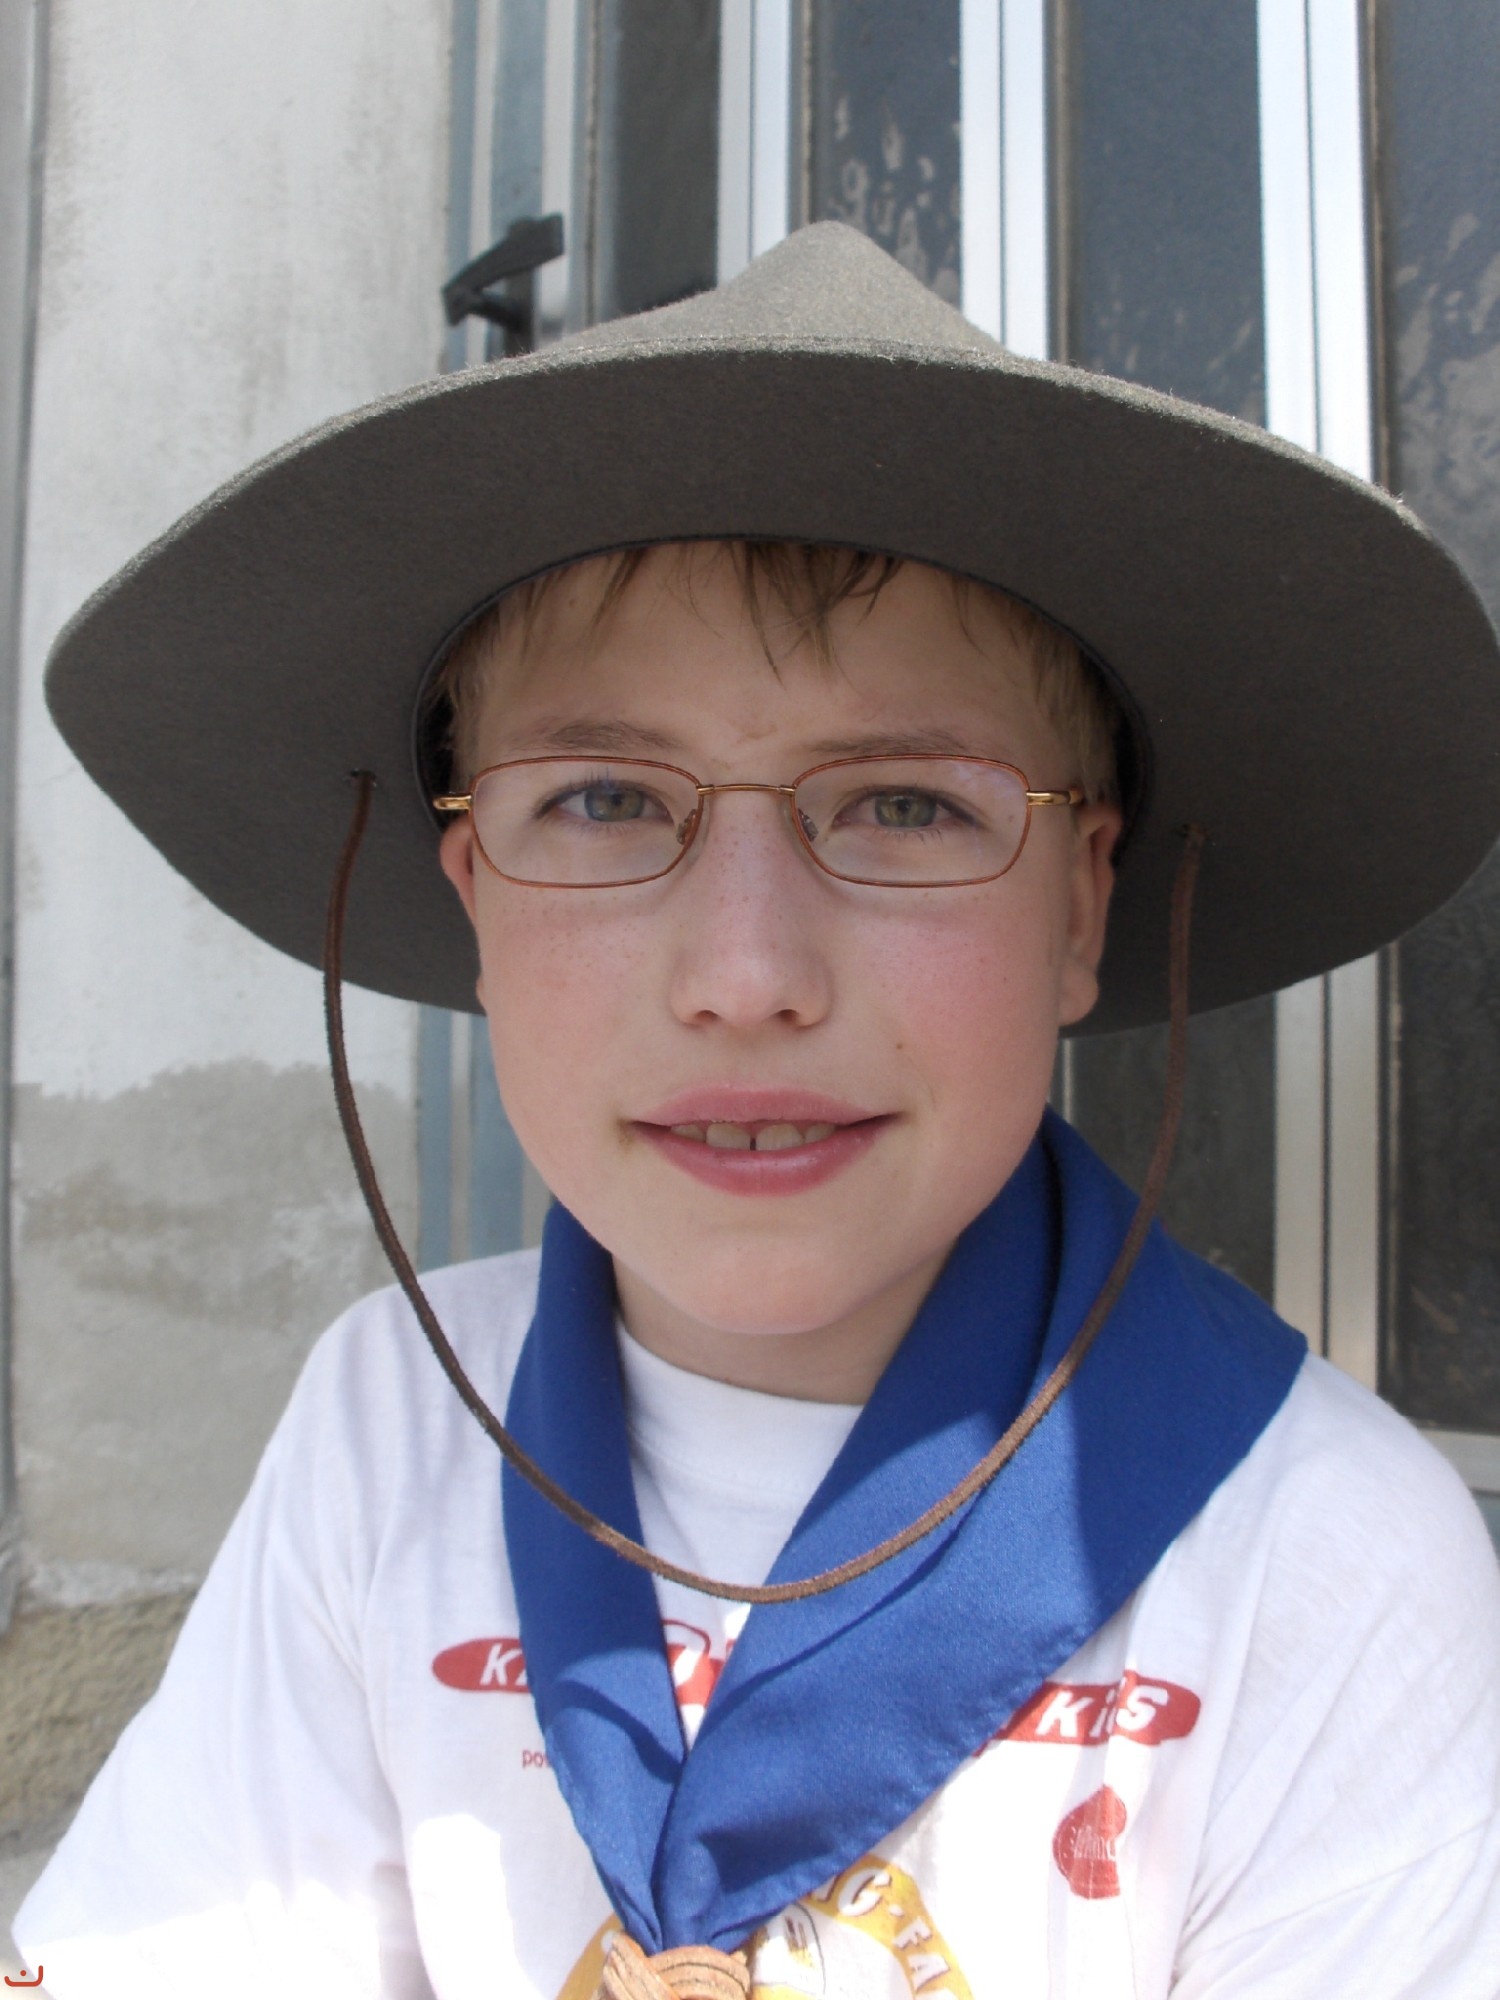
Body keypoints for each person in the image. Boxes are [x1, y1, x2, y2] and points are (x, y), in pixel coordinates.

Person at [14, 224, 1500, 1998]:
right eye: (601, 801)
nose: (745, 974)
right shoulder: (393, 1421)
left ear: (1081, 908)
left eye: (904, 806)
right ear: (474, 900)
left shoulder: (1321, 1555)